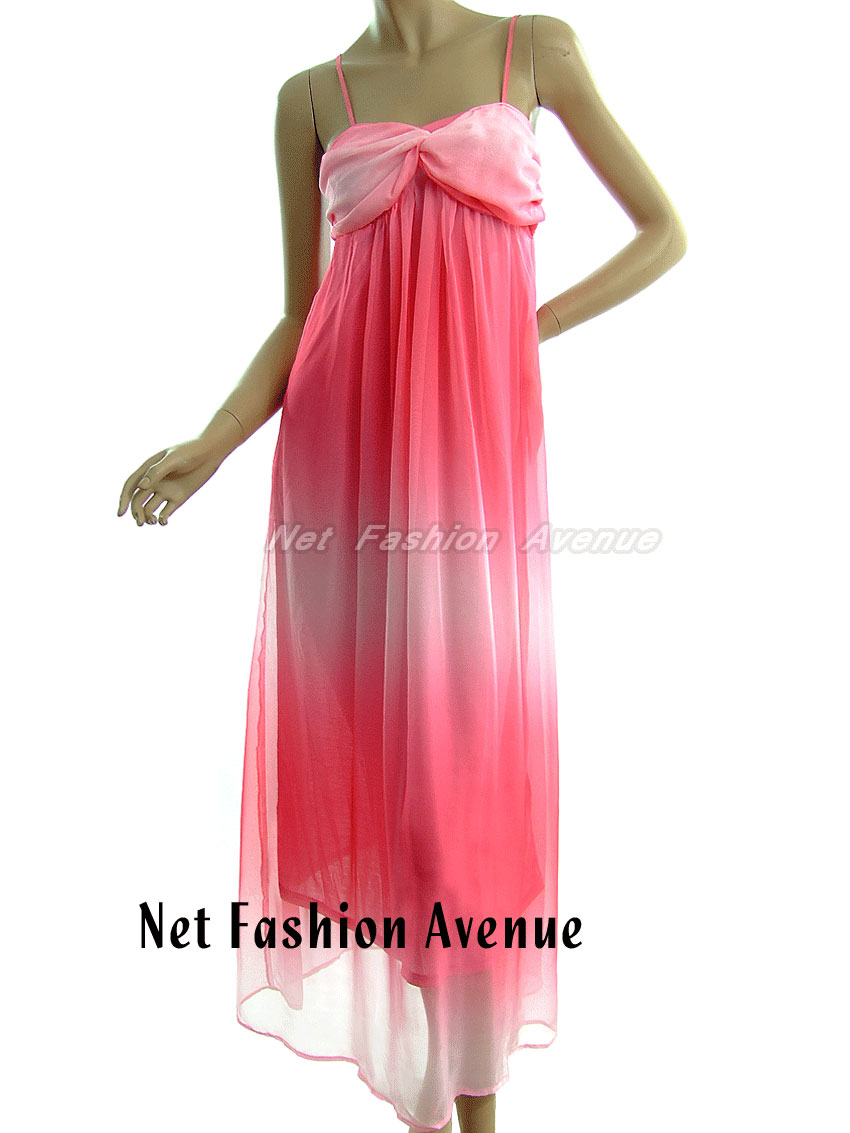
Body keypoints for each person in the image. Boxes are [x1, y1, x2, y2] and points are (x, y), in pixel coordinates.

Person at [118, 5, 686, 1131]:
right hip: (347, 450)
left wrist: (523, 327)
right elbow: (300, 312)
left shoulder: (535, 49)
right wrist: (213, 441)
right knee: (392, 790)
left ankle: (467, 1107)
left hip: (472, 455)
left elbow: (663, 231)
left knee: (453, 790)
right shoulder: (311, 96)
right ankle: (445, 1106)